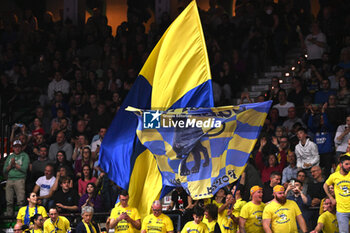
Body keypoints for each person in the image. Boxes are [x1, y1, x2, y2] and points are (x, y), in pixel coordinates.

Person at [324, 154, 350, 233]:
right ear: (340, 165)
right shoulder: (334, 176)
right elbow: (325, 185)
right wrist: (331, 198)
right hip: (341, 210)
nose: (349, 166)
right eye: (346, 164)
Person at [3, 140, 30, 216]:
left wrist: (14, 164)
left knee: (21, 201)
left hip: (20, 179)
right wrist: (11, 165)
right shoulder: (10, 156)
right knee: (9, 201)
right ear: (13, 148)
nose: (17, 148)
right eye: (15, 147)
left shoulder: (25, 156)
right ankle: (9, 217)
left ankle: (21, 217)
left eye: (19, 147)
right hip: (10, 179)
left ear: (21, 147)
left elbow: (25, 169)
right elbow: (4, 170)